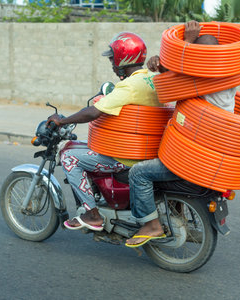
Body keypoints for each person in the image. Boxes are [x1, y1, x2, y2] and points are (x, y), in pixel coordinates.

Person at [125, 20, 236, 247]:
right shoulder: (226, 75)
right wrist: (161, 63)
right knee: (166, 156)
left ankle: (152, 225)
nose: (196, 58)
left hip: (196, 159)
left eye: (199, 53)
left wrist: (186, 42)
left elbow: (172, 86)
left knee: (138, 173)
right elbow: (179, 76)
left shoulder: (207, 78)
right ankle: (177, 216)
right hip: (206, 155)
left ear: (207, 58)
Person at [47, 32, 162, 231]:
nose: (111, 62)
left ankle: (92, 215)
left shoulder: (130, 86)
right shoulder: (152, 78)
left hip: (126, 158)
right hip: (147, 151)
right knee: (83, 147)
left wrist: (62, 121)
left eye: (112, 57)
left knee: (68, 156)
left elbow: (93, 112)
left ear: (122, 57)